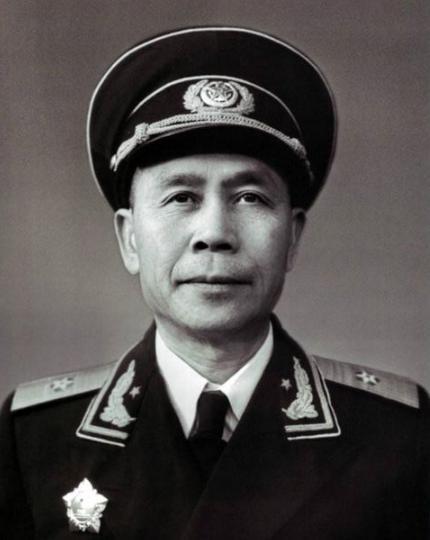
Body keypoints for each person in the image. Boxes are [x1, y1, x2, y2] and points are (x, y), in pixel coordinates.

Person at [0, 26, 428, 540]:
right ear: (130, 237)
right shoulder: (35, 439)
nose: (215, 234)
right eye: (181, 197)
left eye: (250, 198)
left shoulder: (398, 436)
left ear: (292, 237)